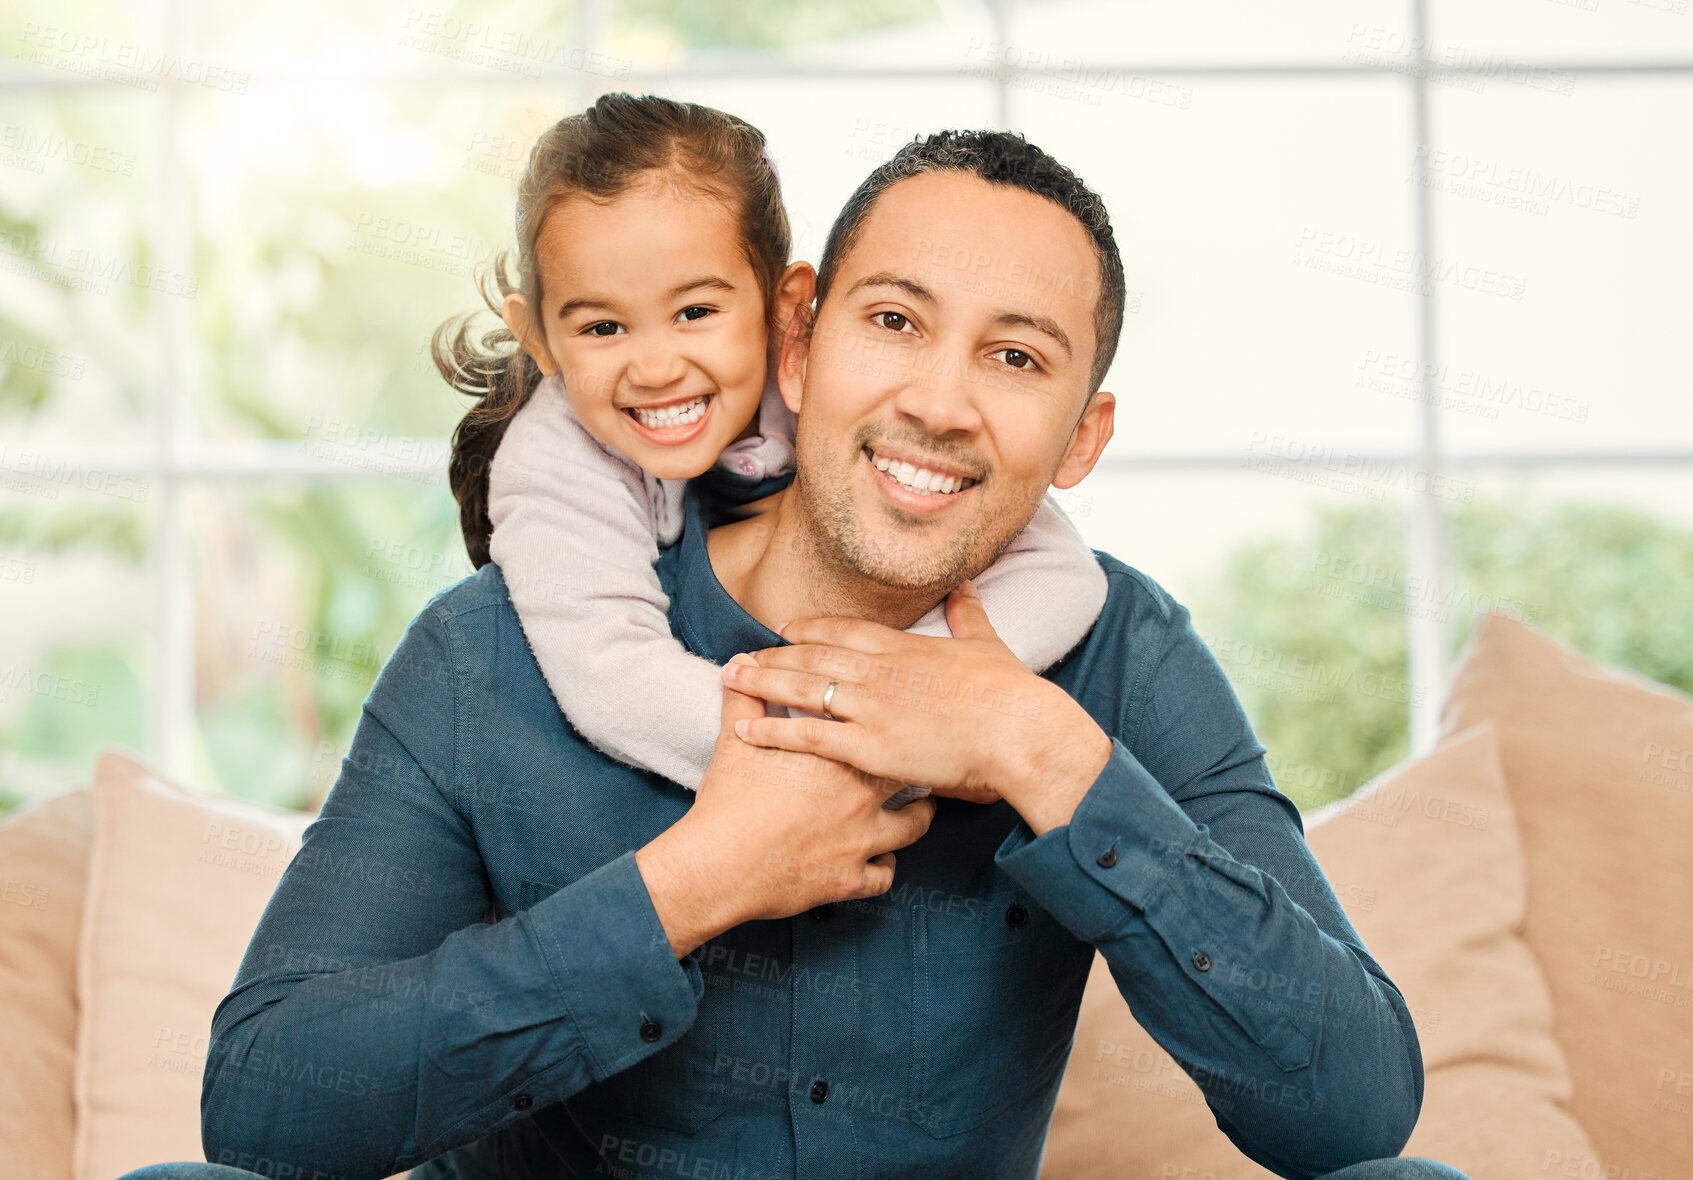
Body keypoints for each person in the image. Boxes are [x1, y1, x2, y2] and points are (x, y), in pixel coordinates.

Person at [142, 120, 1472, 1180]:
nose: (938, 402)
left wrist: (1033, 745)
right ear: (799, 339)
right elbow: (266, 1103)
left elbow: (1351, 1111)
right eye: (893, 322)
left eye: (1013, 358)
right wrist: (691, 883)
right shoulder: (491, 654)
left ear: (1081, 438)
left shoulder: (1121, 656)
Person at [449, 94, 1107, 807]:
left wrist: (954, 707)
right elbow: (614, 681)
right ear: (539, 339)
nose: (657, 367)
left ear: (783, 315)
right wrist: (840, 751)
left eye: (695, 313)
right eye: (603, 328)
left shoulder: (841, 380)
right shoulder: (552, 468)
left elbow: (1060, 572)